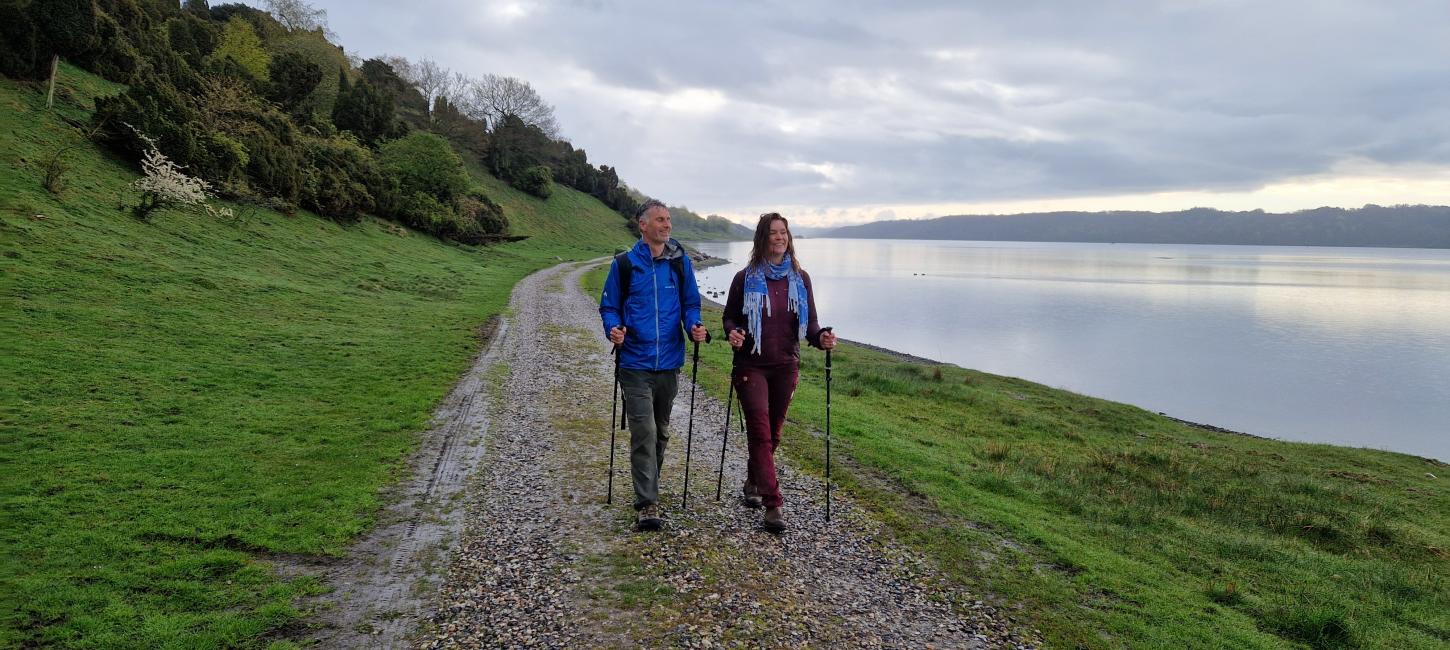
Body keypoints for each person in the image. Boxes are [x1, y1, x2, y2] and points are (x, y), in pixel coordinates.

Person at [722, 212, 837, 533]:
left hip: (787, 365)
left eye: (783, 232)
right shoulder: (744, 278)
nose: (779, 237)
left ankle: (752, 481)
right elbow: (729, 318)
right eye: (773, 233)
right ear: (762, 238)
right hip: (751, 365)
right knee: (760, 433)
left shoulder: (801, 279)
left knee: (772, 435)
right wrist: (733, 333)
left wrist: (821, 338)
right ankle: (773, 504)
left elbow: (811, 324)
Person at [600, 199, 709, 531]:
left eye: (669, 220)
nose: (667, 225)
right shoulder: (624, 265)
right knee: (644, 431)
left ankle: (650, 486)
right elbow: (609, 307)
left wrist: (694, 326)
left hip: (670, 362)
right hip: (634, 362)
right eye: (660, 220)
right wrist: (613, 329)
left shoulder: (679, 264)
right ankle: (647, 503)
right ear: (642, 225)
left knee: (660, 432)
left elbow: (691, 303)